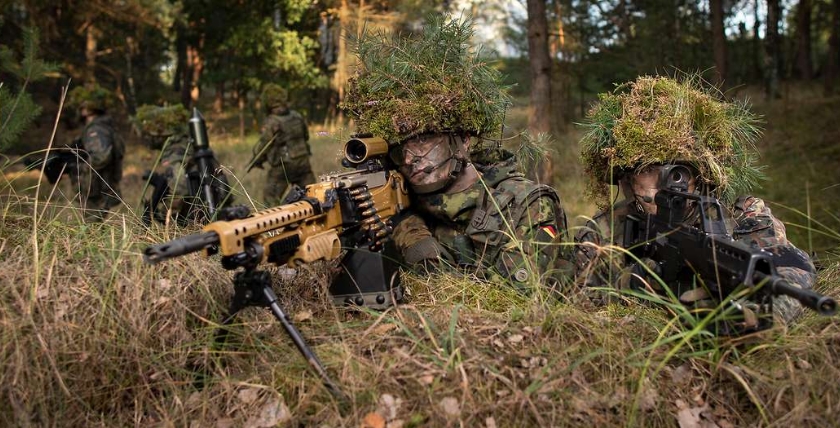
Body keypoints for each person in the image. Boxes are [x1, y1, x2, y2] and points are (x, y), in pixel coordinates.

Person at [341, 15, 569, 291]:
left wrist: (418, 248)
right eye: (399, 148)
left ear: (463, 140)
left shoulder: (524, 204)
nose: (411, 158)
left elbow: (514, 302)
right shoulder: (395, 206)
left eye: (424, 140)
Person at [573, 75, 817, 331]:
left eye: (677, 172)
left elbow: (791, 268)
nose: (664, 183)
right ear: (627, 179)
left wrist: (753, 317)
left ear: (701, 175)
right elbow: (575, 307)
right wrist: (633, 286)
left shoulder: (741, 217)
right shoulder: (604, 231)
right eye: (649, 169)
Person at [135, 104, 231, 225]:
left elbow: (179, 186)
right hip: (218, 211)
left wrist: (167, 215)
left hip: (199, 218)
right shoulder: (189, 144)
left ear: (161, 133)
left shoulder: (175, 151)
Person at [249, 84, 315, 206]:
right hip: (303, 162)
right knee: (312, 195)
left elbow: (264, 146)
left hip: (283, 166)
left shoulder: (272, 122)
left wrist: (256, 161)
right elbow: (306, 136)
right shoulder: (297, 116)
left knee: (271, 197)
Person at [68, 85, 124, 222]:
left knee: (92, 226)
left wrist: (79, 168)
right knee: (94, 226)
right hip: (98, 186)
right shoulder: (104, 127)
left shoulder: (96, 129)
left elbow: (100, 157)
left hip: (96, 188)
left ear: (86, 110)